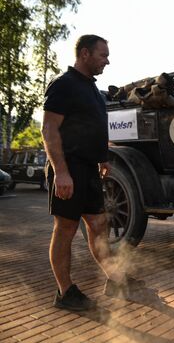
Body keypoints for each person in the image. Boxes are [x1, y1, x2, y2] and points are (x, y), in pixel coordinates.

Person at [42, 34, 144, 311]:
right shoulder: (63, 85)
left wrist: (102, 159)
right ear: (85, 54)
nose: (107, 61)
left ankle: (115, 280)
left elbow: (93, 127)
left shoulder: (92, 90)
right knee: (65, 228)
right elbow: (49, 130)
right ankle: (65, 293)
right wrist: (61, 172)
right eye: (103, 55)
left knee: (99, 226)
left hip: (88, 169)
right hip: (69, 168)